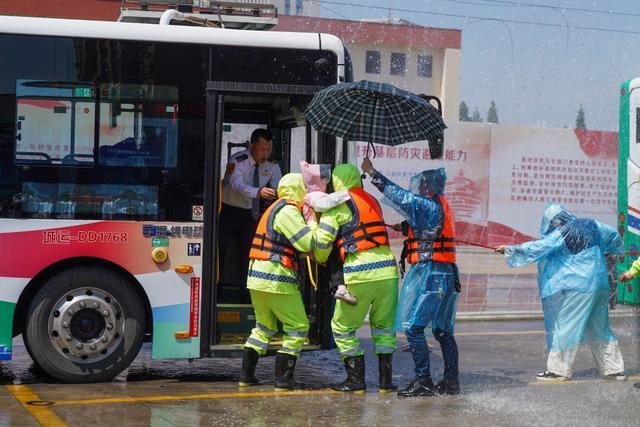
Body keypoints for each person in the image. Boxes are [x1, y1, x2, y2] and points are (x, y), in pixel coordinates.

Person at [362, 158, 461, 397]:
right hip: (446, 274)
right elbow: (430, 230)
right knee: (442, 331)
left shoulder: (427, 204)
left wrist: (372, 172)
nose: (417, 190)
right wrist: (406, 228)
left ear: (426, 187)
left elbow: (402, 197)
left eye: (420, 186)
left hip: (432, 274)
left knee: (414, 328)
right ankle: (451, 382)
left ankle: (424, 381)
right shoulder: (440, 204)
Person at [496, 204, 626, 382]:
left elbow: (539, 247)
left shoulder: (563, 232)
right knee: (600, 328)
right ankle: (613, 369)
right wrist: (616, 249)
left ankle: (558, 371)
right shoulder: (592, 224)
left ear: (552, 222)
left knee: (565, 327)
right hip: (600, 284)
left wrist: (510, 250)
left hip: (578, 287)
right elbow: (613, 236)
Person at [314, 163, 398, 394]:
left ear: (337, 182)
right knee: (384, 327)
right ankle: (385, 383)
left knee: (341, 327)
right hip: (388, 272)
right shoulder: (372, 201)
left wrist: (320, 258)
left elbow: (323, 244)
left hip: (360, 272)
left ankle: (355, 380)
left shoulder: (337, 205)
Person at [238, 173, 316, 391]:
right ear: (298, 190)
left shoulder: (274, 208)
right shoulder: (288, 211)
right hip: (276, 278)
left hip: (256, 278)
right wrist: (312, 222)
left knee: (264, 327)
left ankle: (246, 376)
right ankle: (283, 379)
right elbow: (306, 242)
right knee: (298, 325)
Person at [220, 129, 282, 302]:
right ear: (251, 146)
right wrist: (259, 192)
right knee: (219, 254)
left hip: (249, 214)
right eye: (262, 149)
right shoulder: (238, 160)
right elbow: (236, 184)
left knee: (248, 257)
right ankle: (216, 295)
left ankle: (246, 298)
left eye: (268, 149)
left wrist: (275, 192)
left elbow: (280, 184)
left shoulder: (271, 165)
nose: (265, 153)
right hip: (227, 210)